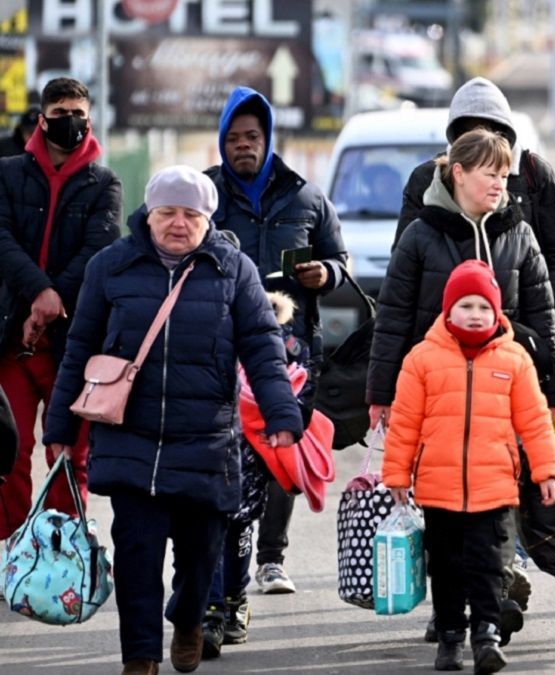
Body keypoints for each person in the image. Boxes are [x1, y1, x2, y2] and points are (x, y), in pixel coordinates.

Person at [41, 165, 303, 675]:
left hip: (205, 439)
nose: (178, 223)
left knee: (202, 553)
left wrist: (281, 414)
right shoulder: (110, 266)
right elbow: (79, 349)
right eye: (167, 212)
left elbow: (263, 348)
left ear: (208, 220)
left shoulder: (234, 270)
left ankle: (187, 619)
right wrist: (61, 430)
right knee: (136, 554)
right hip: (129, 437)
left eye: (190, 214)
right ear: (148, 214)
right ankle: (139, 656)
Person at [368, 128, 555, 646]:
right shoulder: (421, 234)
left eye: (505, 175)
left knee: (496, 505)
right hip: (436, 395)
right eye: (490, 174)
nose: (500, 184)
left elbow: (543, 314)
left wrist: (554, 393)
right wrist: (381, 393)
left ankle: (492, 604)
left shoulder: (519, 232)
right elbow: (392, 315)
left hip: (504, 388)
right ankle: (452, 612)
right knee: (446, 516)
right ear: (458, 173)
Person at [383, 259, 555, 674]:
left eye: (484, 307)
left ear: (497, 312)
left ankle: (486, 636)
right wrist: (396, 474)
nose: (476, 315)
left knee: (489, 566)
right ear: (448, 310)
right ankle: (449, 636)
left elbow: (535, 421)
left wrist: (547, 470)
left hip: (495, 486)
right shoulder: (421, 359)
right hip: (438, 487)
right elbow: (405, 422)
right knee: (446, 567)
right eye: (465, 306)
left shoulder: (515, 359)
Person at [205, 86, 348, 596]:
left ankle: (271, 559)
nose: (244, 145)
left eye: (252, 137)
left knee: (281, 444)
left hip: (290, 347)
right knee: (227, 449)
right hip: (221, 345)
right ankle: (223, 559)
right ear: (222, 143)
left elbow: (340, 261)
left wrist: (324, 274)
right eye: (234, 139)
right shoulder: (206, 196)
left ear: (267, 140)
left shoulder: (306, 197)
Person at [0, 78, 120, 545]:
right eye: (61, 114)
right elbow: (2, 240)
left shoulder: (104, 183)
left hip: (74, 345)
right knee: (7, 452)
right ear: (42, 120)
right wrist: (38, 293)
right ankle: (12, 552)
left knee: (69, 453)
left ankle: (62, 551)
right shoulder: (8, 173)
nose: (71, 122)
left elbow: (98, 251)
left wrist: (52, 301)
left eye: (78, 114)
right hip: (12, 340)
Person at [395, 76, 555, 377]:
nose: (481, 140)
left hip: (516, 345)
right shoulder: (427, 179)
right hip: (439, 347)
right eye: (470, 132)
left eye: (491, 130)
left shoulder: (533, 175)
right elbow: (403, 274)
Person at [200, 291, 315, 659]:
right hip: (205, 447)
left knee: (238, 530)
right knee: (206, 530)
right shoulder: (205, 331)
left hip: (251, 456)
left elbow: (301, 389)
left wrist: (284, 420)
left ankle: (235, 599)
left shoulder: (285, 344)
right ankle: (210, 611)